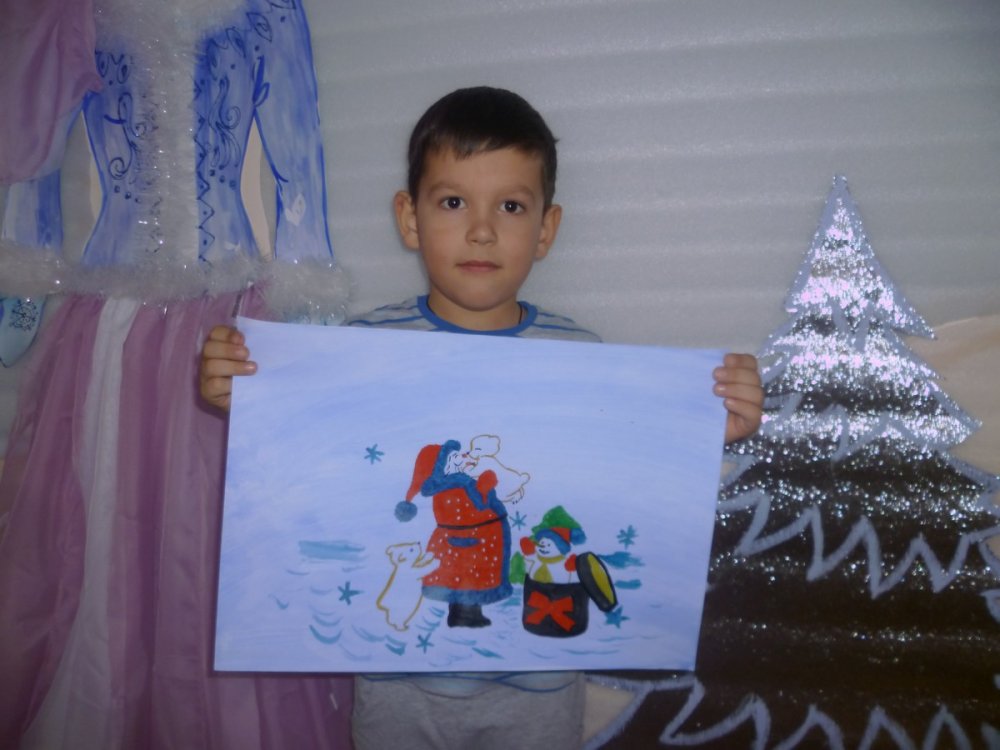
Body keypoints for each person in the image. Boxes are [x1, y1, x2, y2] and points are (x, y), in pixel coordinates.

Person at [200, 86, 764, 750]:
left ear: (546, 230)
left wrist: (707, 429)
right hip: (395, 690)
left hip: (541, 690)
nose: (482, 230)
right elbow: (309, 466)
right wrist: (247, 398)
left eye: (511, 206)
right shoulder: (359, 351)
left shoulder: (583, 358)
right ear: (409, 219)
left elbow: (625, 480)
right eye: (453, 202)